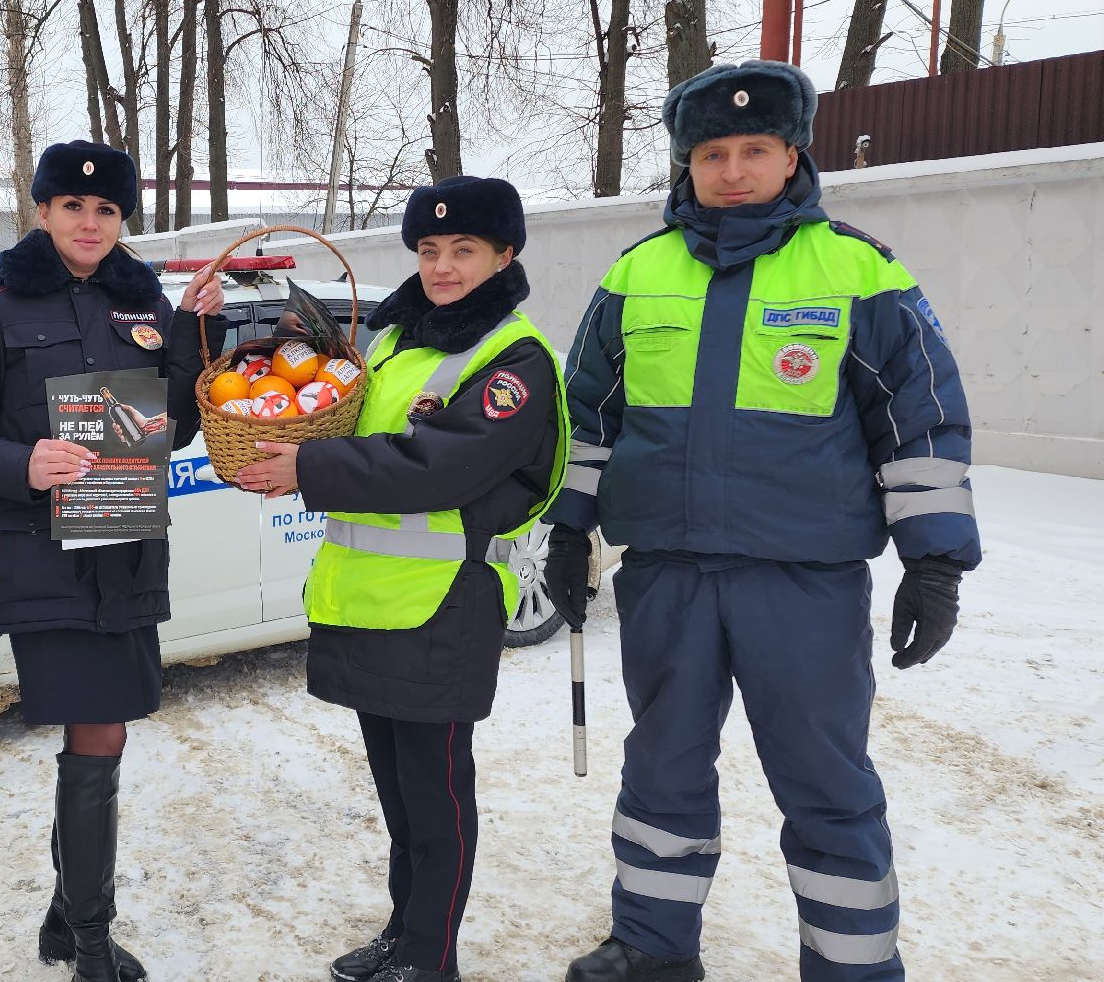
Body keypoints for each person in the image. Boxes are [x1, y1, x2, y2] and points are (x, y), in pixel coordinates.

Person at [542, 60, 980, 982]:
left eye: (755, 150)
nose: (732, 170)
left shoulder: (857, 270)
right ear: (686, 164)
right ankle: (654, 948)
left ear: (792, 156)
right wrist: (571, 527)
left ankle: (852, 966)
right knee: (661, 769)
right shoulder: (637, 272)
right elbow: (586, 415)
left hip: (802, 580)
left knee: (826, 783)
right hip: (667, 573)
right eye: (711, 153)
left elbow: (920, 417)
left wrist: (934, 563)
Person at [237, 176, 567, 982]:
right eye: (428, 250)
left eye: (463, 250)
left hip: (441, 609)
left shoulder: (510, 359)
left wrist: (309, 465)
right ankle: (403, 934)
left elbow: (437, 466)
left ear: (504, 255)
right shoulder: (393, 343)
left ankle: (433, 957)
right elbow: (344, 414)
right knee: (399, 796)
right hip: (367, 600)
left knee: (437, 795)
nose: (443, 266)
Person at [0, 140, 224, 982]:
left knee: (106, 731)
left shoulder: (146, 302)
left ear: (122, 220)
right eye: (72, 207)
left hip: (126, 548)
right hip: (43, 550)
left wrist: (193, 329)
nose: (89, 223)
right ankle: (91, 940)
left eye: (105, 210)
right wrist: (22, 467)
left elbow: (179, 417)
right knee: (94, 730)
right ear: (43, 211)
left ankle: (66, 918)